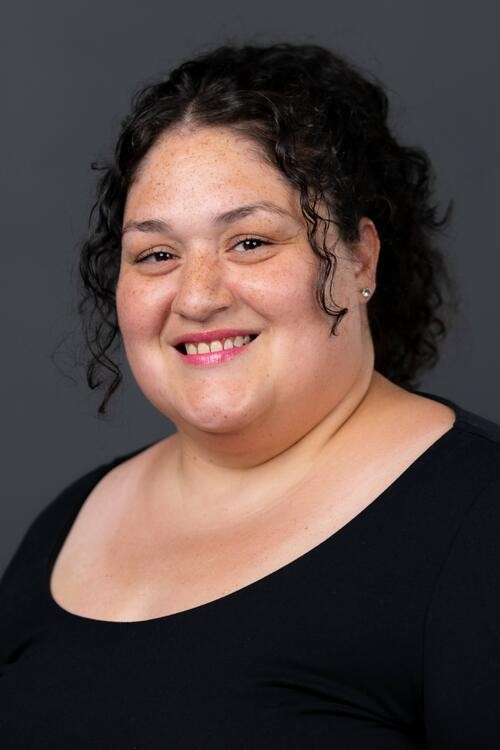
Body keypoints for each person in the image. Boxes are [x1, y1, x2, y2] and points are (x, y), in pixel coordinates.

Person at [1, 43, 499, 749]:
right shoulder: (70, 521)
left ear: (360, 257)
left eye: (251, 242)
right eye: (157, 255)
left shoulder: (481, 522)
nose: (198, 296)